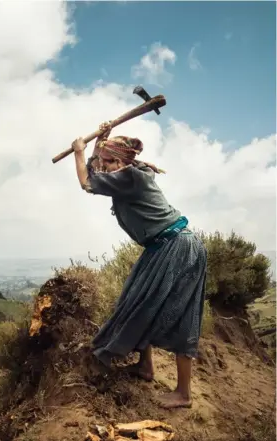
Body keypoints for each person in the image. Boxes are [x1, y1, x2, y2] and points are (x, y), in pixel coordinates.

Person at [71, 122, 207, 409]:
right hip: (163, 247)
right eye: (105, 160)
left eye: (110, 161)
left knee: (180, 316)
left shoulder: (129, 177)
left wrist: (79, 153)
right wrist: (103, 140)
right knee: (136, 300)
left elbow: (87, 181)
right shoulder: (127, 172)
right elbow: (98, 169)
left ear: (121, 161)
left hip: (177, 248)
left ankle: (183, 393)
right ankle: (145, 366)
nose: (104, 166)